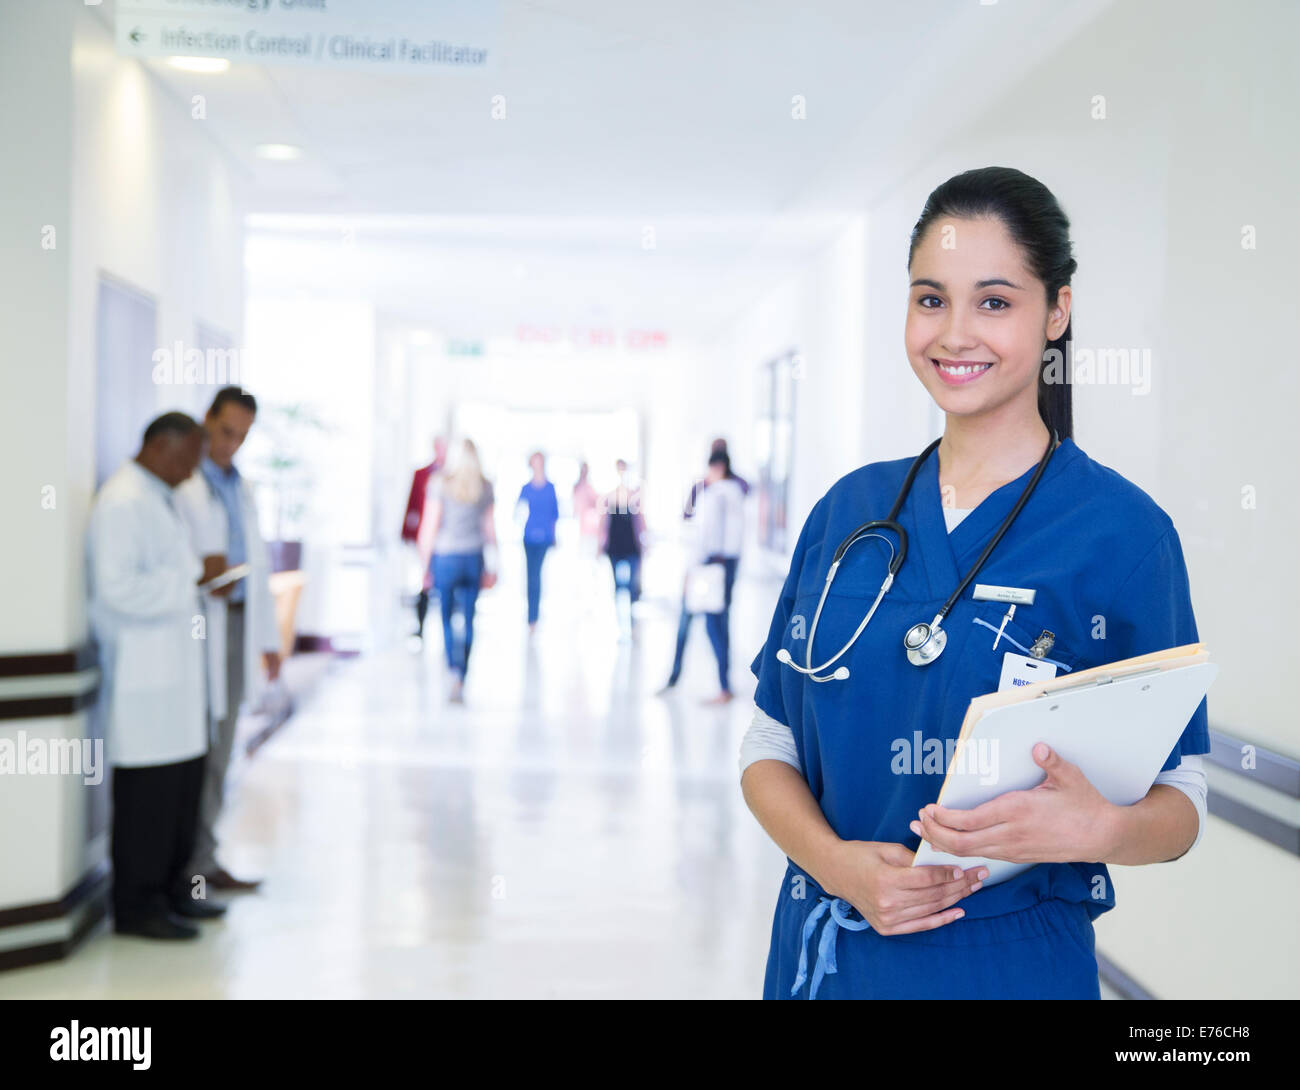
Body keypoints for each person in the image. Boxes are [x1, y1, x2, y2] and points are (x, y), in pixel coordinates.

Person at [741, 166, 1209, 1000]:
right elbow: (770, 742)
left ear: (1056, 311)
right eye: (931, 299)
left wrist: (1101, 828)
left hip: (1007, 966)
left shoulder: (1123, 535)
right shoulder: (849, 512)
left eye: (995, 301)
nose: (955, 333)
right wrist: (838, 866)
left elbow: (1184, 797)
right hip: (826, 957)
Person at [87, 412, 227, 939]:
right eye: (189, 459)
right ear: (162, 447)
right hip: (144, 682)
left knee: (179, 800)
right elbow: (117, 588)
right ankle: (137, 908)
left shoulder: (157, 496)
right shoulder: (123, 501)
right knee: (148, 804)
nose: (192, 472)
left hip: (175, 683)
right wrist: (191, 576)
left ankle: (173, 892)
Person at [175, 387, 281, 893]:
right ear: (206, 420)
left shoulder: (240, 486)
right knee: (194, 749)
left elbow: (256, 569)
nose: (231, 445)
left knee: (222, 748)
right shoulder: (185, 483)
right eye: (224, 432)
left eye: (242, 436)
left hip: (236, 624)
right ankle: (187, 868)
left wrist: (267, 638)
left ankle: (203, 859)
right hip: (197, 628)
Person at [661, 449, 745, 702]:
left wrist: (690, 571)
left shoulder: (715, 495)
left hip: (706, 568)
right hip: (726, 565)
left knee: (708, 626)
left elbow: (705, 537)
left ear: (717, 467)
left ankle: (715, 685)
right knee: (718, 625)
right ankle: (721, 685)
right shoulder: (737, 493)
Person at [423, 439, 497, 702]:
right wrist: (494, 565)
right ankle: (462, 672)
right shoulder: (485, 486)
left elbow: (430, 527)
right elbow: (489, 529)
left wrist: (425, 565)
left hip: (446, 557)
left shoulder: (439, 483)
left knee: (445, 616)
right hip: (472, 557)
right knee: (468, 616)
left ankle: (452, 669)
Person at [402, 435, 448, 641]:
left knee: (443, 583)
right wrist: (407, 532)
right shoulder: (421, 474)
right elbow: (412, 505)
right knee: (424, 581)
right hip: (425, 537)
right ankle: (420, 627)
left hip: (446, 539)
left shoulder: (452, 476)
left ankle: (446, 629)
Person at [597, 459, 646, 635]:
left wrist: (643, 542)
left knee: (632, 586)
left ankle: (631, 624)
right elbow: (603, 522)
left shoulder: (634, 496)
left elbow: (640, 520)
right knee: (617, 586)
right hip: (615, 546)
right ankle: (620, 624)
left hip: (631, 545)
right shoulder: (609, 497)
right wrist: (600, 543)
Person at [516, 450, 559, 632]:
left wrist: (554, 536)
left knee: (537, 576)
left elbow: (555, 515)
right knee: (530, 575)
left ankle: (535, 615)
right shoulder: (526, 488)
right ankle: (530, 615)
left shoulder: (550, 488)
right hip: (529, 537)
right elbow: (518, 511)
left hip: (545, 538)